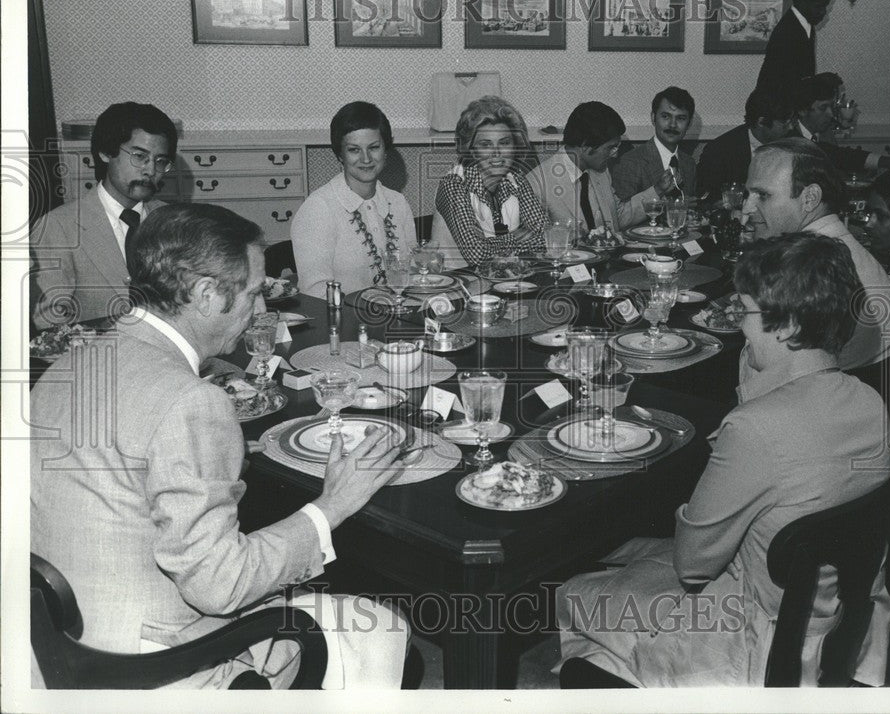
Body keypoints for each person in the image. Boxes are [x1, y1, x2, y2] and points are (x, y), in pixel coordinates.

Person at [31, 203, 408, 688]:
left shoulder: (68, 363)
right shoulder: (191, 402)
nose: (261, 310)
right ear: (207, 294)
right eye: (253, 294)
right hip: (147, 669)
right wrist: (332, 505)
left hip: (56, 644)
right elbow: (220, 587)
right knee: (379, 624)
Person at [555, 232, 890, 686]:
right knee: (627, 560)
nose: (742, 328)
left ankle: (622, 679)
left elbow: (693, 567)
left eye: (748, 314)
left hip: (755, 640)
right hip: (831, 621)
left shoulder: (755, 427)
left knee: (572, 594)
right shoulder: (871, 402)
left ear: (788, 325)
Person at [742, 138, 890, 372]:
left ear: (810, 198)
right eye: (748, 194)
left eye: (763, 195)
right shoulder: (842, 248)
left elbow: (761, 374)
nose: (747, 208)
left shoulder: (808, 272)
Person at [30, 102, 177, 330]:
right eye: (139, 156)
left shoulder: (173, 221)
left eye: (161, 161)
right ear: (106, 153)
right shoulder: (58, 227)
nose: (150, 170)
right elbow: (49, 324)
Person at [291, 102, 418, 296]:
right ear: (340, 154)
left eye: (374, 147)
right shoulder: (318, 208)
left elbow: (413, 272)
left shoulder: (398, 202)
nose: (366, 159)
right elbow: (314, 291)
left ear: (386, 150)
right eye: (354, 150)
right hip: (344, 322)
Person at [432, 96, 547, 268]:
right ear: (470, 150)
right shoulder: (454, 185)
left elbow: (546, 237)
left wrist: (492, 243)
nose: (496, 153)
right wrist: (519, 236)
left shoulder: (517, 179)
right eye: (485, 145)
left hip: (505, 283)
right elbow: (477, 255)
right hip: (459, 287)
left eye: (505, 143)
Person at [525, 101, 651, 236]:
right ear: (585, 146)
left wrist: (659, 190)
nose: (615, 154)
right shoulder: (536, 184)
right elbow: (543, 243)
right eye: (610, 148)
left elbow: (617, 218)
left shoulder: (601, 170)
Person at [694, 86, 795, 202]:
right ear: (761, 122)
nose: (791, 127)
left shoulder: (795, 146)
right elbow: (706, 198)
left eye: (791, 121)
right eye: (784, 123)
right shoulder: (719, 151)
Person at [793, 73, 890, 174]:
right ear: (802, 110)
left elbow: (839, 160)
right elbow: (840, 156)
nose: (831, 114)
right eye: (823, 108)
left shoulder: (824, 132)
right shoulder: (791, 136)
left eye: (831, 107)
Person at [611, 87, 697, 201]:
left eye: (680, 118)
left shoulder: (689, 164)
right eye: (665, 116)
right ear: (653, 118)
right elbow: (623, 215)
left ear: (689, 124)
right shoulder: (629, 162)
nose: (672, 125)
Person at [756, 0, 833, 92]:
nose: (824, 12)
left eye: (826, 6)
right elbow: (780, 87)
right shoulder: (787, 32)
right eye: (819, 6)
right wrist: (819, 81)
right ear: (802, 2)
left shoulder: (804, 27)